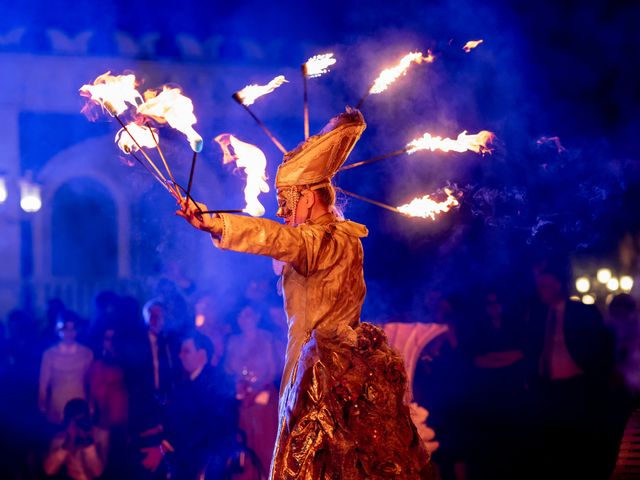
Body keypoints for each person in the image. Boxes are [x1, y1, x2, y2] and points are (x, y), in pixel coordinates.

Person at [178, 108, 434, 479]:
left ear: (310, 198)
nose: (282, 210)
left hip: (320, 375)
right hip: (348, 368)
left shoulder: (323, 239)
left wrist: (214, 223)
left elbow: (279, 239)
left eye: (288, 200)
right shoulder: (346, 236)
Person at [524, 263, 615, 479]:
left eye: (545, 286)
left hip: (576, 386)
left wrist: (597, 377)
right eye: (540, 286)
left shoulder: (581, 311)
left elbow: (601, 344)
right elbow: (530, 348)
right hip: (547, 387)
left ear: (557, 285)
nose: (541, 291)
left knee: (576, 441)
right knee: (551, 442)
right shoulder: (538, 315)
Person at [139, 331, 238, 479]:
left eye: (186, 351)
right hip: (189, 456)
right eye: (181, 351)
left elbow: (203, 428)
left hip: (205, 461)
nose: (180, 356)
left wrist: (165, 446)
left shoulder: (212, 384)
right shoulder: (188, 382)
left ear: (202, 355)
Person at [39, 311, 94, 426]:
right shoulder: (49, 354)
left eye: (73, 328)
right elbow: (43, 384)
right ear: (57, 329)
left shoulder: (86, 353)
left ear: (78, 330)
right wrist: (42, 406)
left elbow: (90, 383)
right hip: (57, 408)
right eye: (65, 329)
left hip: (80, 406)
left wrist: (91, 406)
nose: (69, 333)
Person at [43, 398, 109, 480]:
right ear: (66, 422)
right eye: (71, 422)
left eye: (80, 421)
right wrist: (64, 449)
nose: (75, 426)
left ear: (88, 419)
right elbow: (49, 470)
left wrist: (88, 444)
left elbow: (98, 472)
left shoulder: (101, 435)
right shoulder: (61, 437)